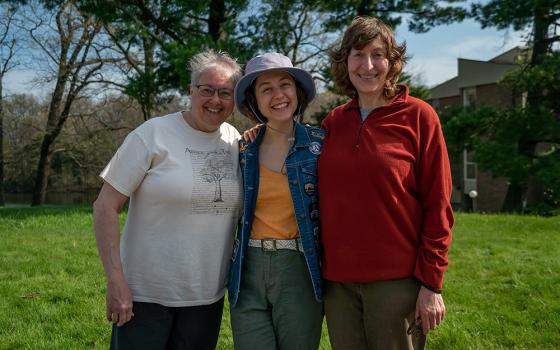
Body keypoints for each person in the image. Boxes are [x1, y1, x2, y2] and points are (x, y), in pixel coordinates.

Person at [318, 16, 454, 350]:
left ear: (392, 62)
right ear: (344, 62)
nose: (368, 65)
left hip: (397, 283)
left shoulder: (419, 117)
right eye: (358, 54)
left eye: (378, 54)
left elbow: (438, 205)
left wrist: (431, 284)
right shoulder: (334, 122)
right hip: (338, 284)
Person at [93, 49, 242, 350]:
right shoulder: (152, 135)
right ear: (190, 90)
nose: (216, 100)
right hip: (144, 296)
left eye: (225, 93)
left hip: (206, 297)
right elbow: (105, 207)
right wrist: (115, 280)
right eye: (207, 90)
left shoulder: (236, 141)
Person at [228, 52, 325, 350]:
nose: (278, 95)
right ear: (255, 101)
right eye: (266, 88)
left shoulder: (320, 147)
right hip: (248, 268)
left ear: (298, 91)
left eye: (285, 84)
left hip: (299, 267)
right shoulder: (242, 149)